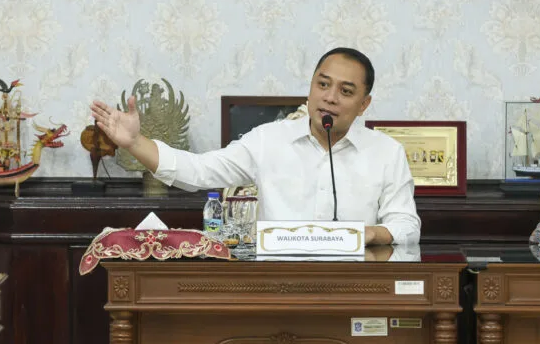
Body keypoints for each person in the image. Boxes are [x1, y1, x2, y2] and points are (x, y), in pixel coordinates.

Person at [91, 47, 421, 244]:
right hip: (278, 283)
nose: (330, 98)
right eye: (323, 84)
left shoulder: (386, 152)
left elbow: (406, 225)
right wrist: (135, 142)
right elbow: (198, 171)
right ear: (311, 88)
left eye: (346, 92)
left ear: (364, 104)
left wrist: (367, 234)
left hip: (356, 284)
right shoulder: (268, 140)